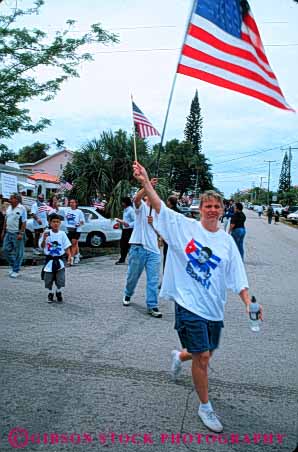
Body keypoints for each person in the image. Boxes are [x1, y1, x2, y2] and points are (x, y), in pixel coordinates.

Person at [132, 161, 261, 433]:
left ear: (223, 210)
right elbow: (159, 207)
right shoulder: (185, 227)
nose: (212, 210)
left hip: (214, 309)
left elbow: (238, 277)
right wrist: (144, 181)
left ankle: (179, 357)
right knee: (203, 356)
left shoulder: (226, 243)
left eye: (217, 206)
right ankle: (205, 407)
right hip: (188, 304)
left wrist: (248, 301)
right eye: (208, 206)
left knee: (206, 352)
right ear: (200, 209)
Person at [122, 180, 162, 318]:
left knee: (153, 279)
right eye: (148, 195)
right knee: (133, 276)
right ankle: (128, 294)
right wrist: (147, 184)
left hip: (154, 251)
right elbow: (136, 199)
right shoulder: (141, 208)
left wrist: (155, 224)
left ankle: (152, 305)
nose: (150, 197)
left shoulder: (159, 213)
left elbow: (162, 233)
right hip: (138, 247)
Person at [39, 214, 71, 303]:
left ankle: (58, 291)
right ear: (50, 223)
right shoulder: (46, 233)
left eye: (57, 222)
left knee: (60, 278)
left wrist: (69, 256)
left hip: (59, 260)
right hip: (50, 260)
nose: (56, 224)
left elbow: (66, 246)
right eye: (53, 222)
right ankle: (50, 293)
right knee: (48, 278)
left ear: (60, 223)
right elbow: (42, 246)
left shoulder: (62, 234)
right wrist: (44, 239)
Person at [1, 193, 27, 278]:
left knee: (19, 253)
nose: (9, 199)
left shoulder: (22, 208)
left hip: (17, 233)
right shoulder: (9, 207)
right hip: (8, 232)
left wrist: (21, 233)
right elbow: (6, 219)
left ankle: (16, 270)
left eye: (11, 198)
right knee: (5, 250)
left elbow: (24, 222)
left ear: (17, 199)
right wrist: (3, 231)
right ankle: (13, 265)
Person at [115, 197, 135, 265]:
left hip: (129, 230)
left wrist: (128, 224)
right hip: (125, 230)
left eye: (123, 202)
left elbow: (135, 221)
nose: (122, 204)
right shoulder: (125, 210)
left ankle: (132, 259)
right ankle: (122, 259)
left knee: (129, 245)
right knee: (123, 245)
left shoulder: (131, 210)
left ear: (126, 202)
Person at [64, 199, 85, 265]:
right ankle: (76, 255)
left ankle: (71, 258)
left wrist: (78, 224)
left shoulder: (79, 212)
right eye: (70, 202)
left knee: (74, 243)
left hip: (76, 230)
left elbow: (82, 221)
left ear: (76, 203)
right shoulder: (67, 211)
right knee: (68, 245)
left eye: (73, 202)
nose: (71, 204)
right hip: (68, 229)